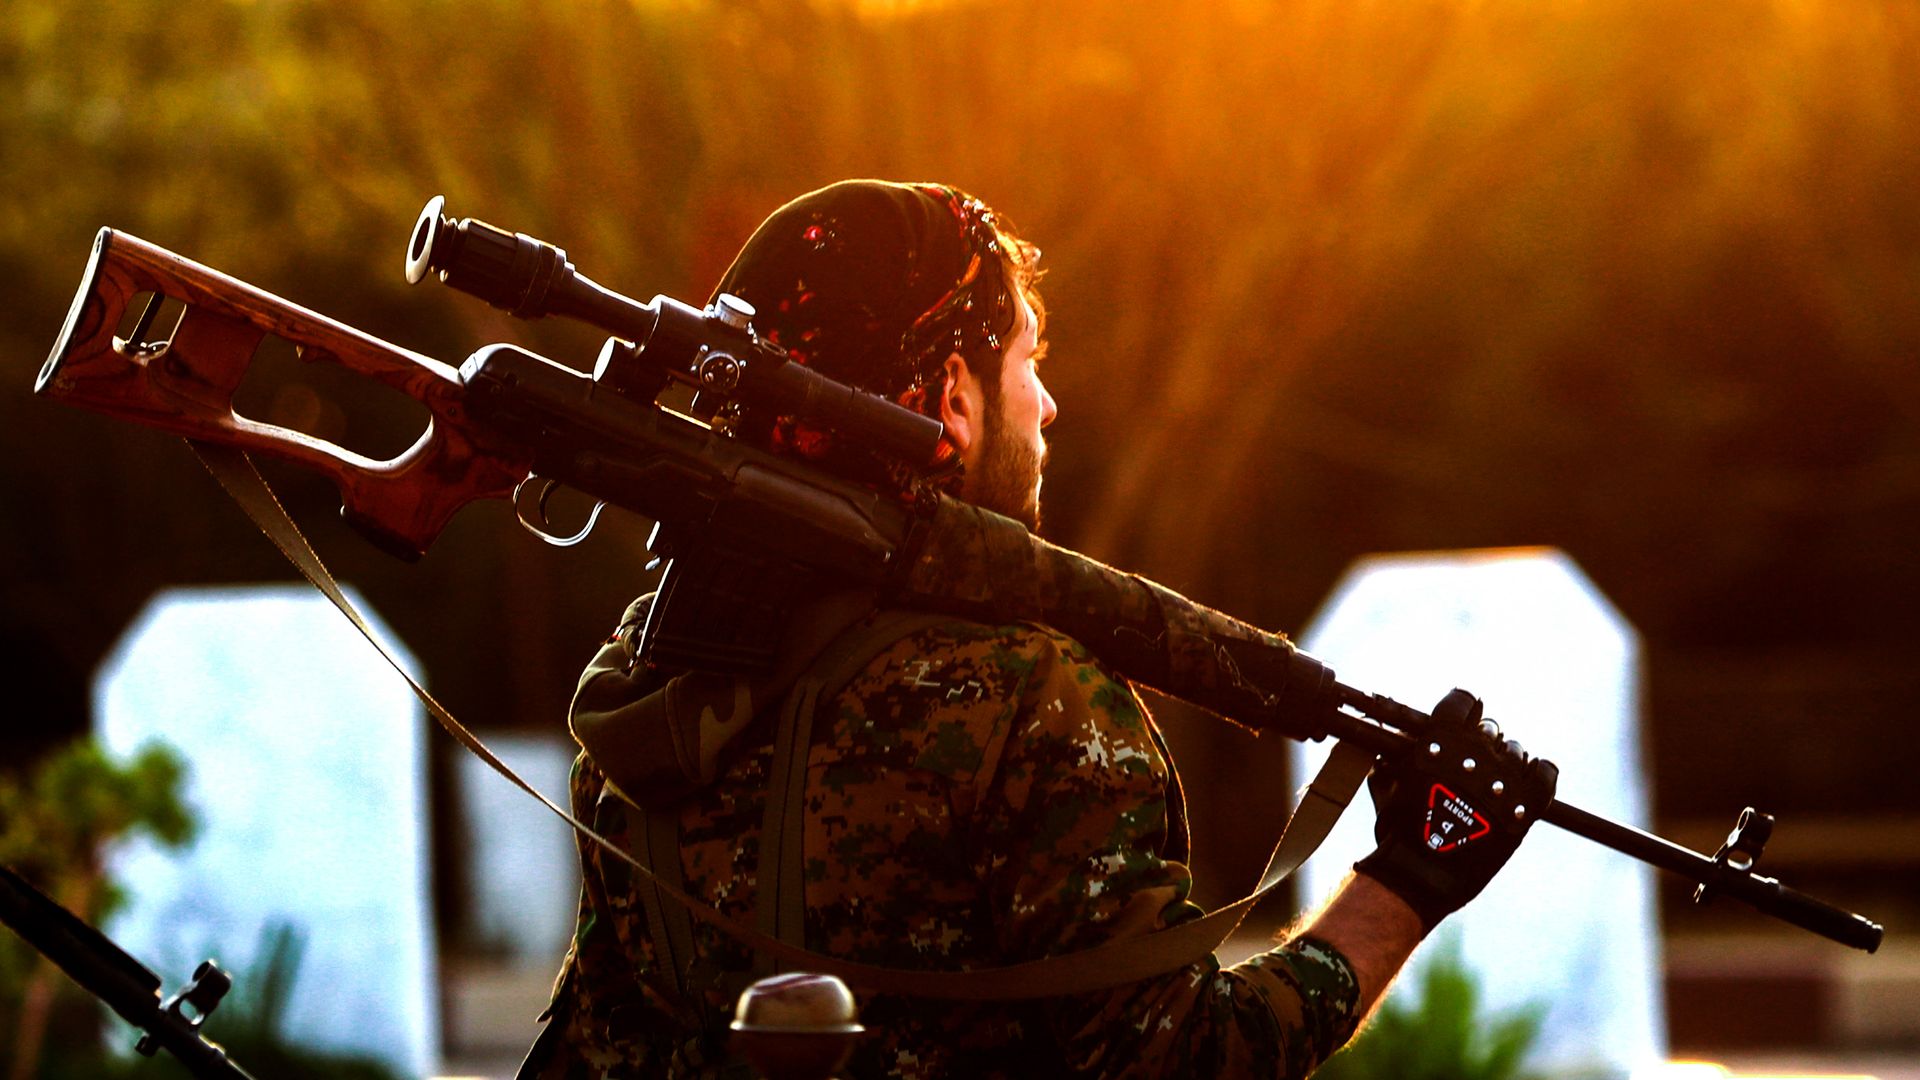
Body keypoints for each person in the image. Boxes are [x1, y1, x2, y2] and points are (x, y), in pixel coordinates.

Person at [519, 179, 1557, 1079]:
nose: (1050, 404)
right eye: (1027, 358)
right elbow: (1183, 1060)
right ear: (951, 399)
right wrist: (1407, 884)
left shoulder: (657, 666)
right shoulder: (1029, 699)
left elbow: (592, 1042)